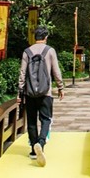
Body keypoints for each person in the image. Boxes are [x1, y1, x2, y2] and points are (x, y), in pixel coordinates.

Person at [17, 25, 64, 166]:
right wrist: (60, 87)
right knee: (46, 119)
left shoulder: (27, 52)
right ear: (46, 37)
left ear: (34, 37)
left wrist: (20, 91)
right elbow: (56, 70)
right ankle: (41, 143)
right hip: (46, 92)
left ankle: (33, 149)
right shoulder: (50, 51)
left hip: (30, 93)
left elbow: (22, 73)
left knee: (31, 121)